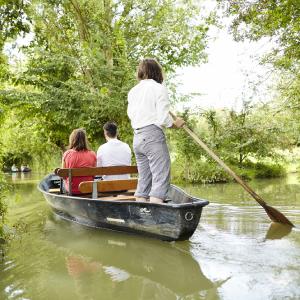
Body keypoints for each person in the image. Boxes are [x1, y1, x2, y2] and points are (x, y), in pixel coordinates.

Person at [127, 58, 185, 204]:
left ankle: (142, 214)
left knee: (144, 178)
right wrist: (175, 124)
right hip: (152, 135)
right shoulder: (159, 88)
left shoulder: (133, 91)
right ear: (157, 71)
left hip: (138, 137)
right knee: (160, 176)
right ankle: (156, 215)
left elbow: (131, 114)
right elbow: (163, 119)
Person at [62, 128, 97, 194]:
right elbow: (94, 174)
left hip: (72, 190)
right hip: (88, 188)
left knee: (63, 183)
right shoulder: (92, 154)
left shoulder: (67, 154)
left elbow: (63, 176)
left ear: (72, 139)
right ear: (85, 140)